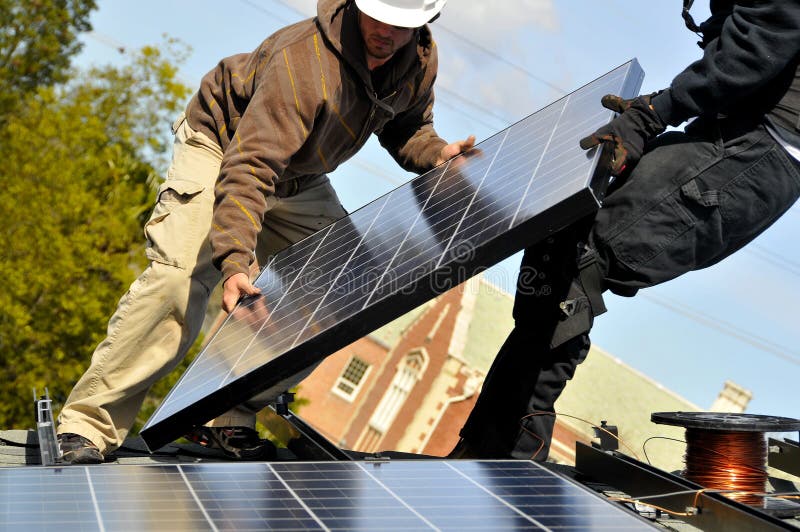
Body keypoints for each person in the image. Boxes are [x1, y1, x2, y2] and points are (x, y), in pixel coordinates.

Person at [57, 0, 476, 464]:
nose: (386, 32)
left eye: (402, 25)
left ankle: (223, 415)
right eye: (379, 15)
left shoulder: (418, 59)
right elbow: (250, 167)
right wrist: (235, 260)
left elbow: (408, 127)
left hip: (299, 176)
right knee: (177, 282)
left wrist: (436, 153)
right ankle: (87, 426)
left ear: (424, 21)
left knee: (348, 287)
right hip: (225, 147)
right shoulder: (304, 61)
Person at [453, 0, 800, 461]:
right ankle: (484, 449)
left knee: (580, 267)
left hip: (755, 149)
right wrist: (653, 110)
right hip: (734, 131)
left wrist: (655, 112)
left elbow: (755, 54)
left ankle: (504, 465)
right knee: (560, 233)